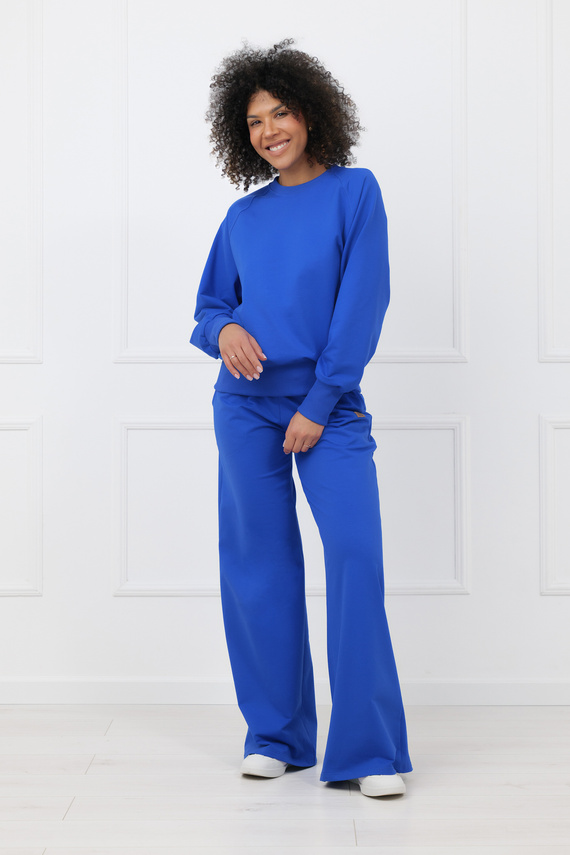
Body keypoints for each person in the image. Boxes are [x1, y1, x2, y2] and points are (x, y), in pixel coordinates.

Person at [190, 39, 412, 798]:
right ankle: (276, 736)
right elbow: (208, 307)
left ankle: (368, 750)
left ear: (312, 113)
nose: (268, 131)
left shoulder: (356, 192)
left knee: (354, 556)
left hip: (330, 407)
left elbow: (363, 303)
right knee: (258, 563)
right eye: (254, 121)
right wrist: (224, 329)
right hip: (244, 405)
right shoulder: (242, 216)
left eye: (280, 113)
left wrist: (319, 403)